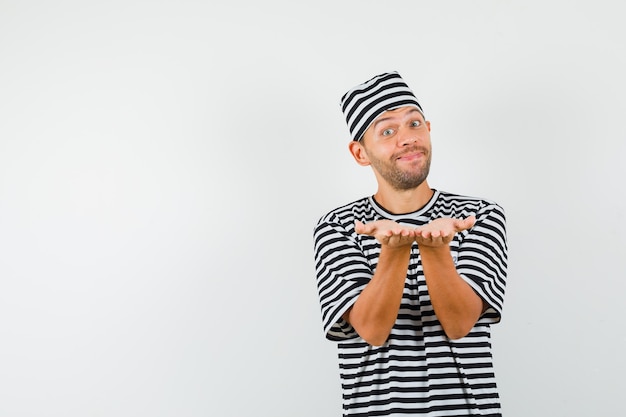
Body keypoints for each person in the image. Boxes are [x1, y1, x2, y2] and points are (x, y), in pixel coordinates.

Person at [313, 71, 508, 416]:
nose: (407, 139)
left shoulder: (479, 216)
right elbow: (371, 330)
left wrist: (436, 250)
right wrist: (395, 250)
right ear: (360, 153)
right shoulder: (341, 227)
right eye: (387, 130)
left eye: (414, 124)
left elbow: (460, 324)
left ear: (429, 131)